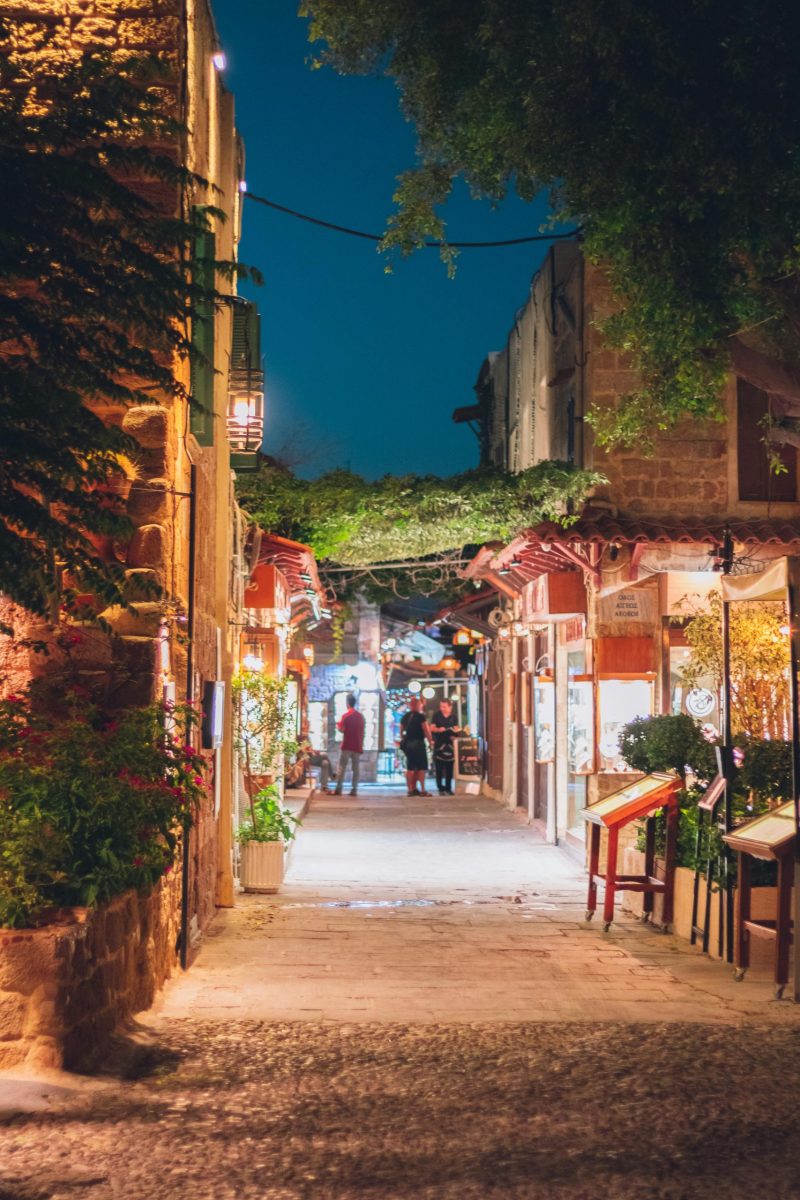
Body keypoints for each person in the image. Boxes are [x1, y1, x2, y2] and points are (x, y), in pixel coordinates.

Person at [399, 696, 433, 796]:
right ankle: (422, 789)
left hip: (408, 744)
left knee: (410, 768)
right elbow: (426, 730)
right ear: (418, 705)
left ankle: (410, 789)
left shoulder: (405, 717)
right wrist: (430, 741)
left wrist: (404, 738)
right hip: (419, 743)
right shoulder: (420, 716)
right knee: (421, 767)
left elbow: (401, 732)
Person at [334, 692, 365, 796]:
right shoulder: (360, 717)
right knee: (356, 769)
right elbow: (362, 731)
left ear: (347, 703)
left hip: (347, 745)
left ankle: (339, 789)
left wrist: (337, 726)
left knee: (342, 767)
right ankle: (354, 789)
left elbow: (341, 729)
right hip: (357, 745)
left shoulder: (346, 716)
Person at [429, 698, 461, 795]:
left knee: (449, 768)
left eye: (444, 706)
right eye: (441, 706)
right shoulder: (436, 715)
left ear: (450, 707)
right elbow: (432, 728)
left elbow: (456, 728)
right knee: (439, 768)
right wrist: (439, 729)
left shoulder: (453, 717)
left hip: (450, 744)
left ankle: (448, 788)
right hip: (439, 743)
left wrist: (455, 732)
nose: (442, 708)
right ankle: (440, 788)